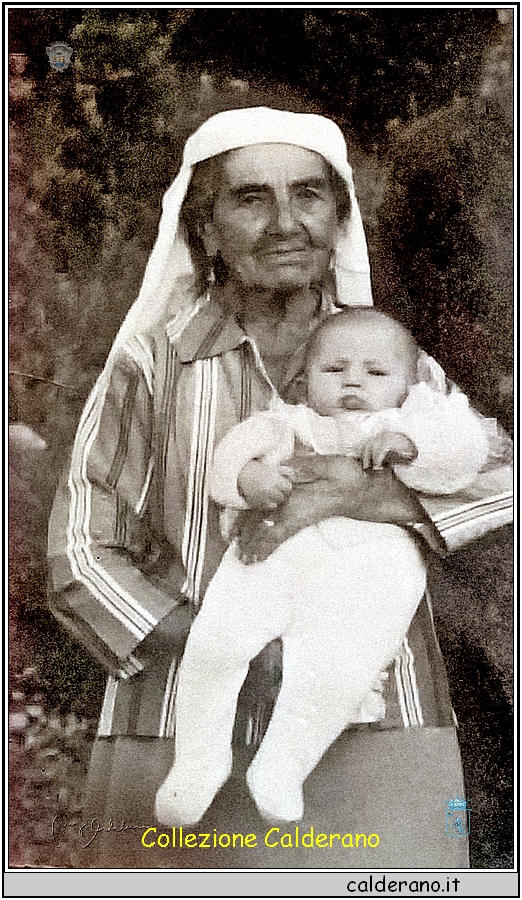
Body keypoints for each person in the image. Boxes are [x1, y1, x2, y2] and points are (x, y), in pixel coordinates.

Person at [47, 106, 510, 868]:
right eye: (251, 197)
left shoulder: (385, 356)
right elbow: (80, 550)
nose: (286, 222)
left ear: (338, 218)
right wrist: (231, 647)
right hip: (178, 723)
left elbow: (498, 475)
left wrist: (356, 495)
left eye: (308, 195)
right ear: (204, 229)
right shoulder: (154, 362)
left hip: (378, 721)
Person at [155, 307, 489, 827]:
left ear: (410, 382)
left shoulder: (420, 418)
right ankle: (199, 760)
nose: (353, 380)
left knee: (338, 674)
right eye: (334, 370)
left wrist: (413, 446)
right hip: (272, 560)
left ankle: (281, 768)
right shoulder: (290, 422)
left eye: (376, 373)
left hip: (370, 577)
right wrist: (246, 480)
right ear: (305, 379)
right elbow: (231, 454)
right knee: (217, 643)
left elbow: (468, 455)